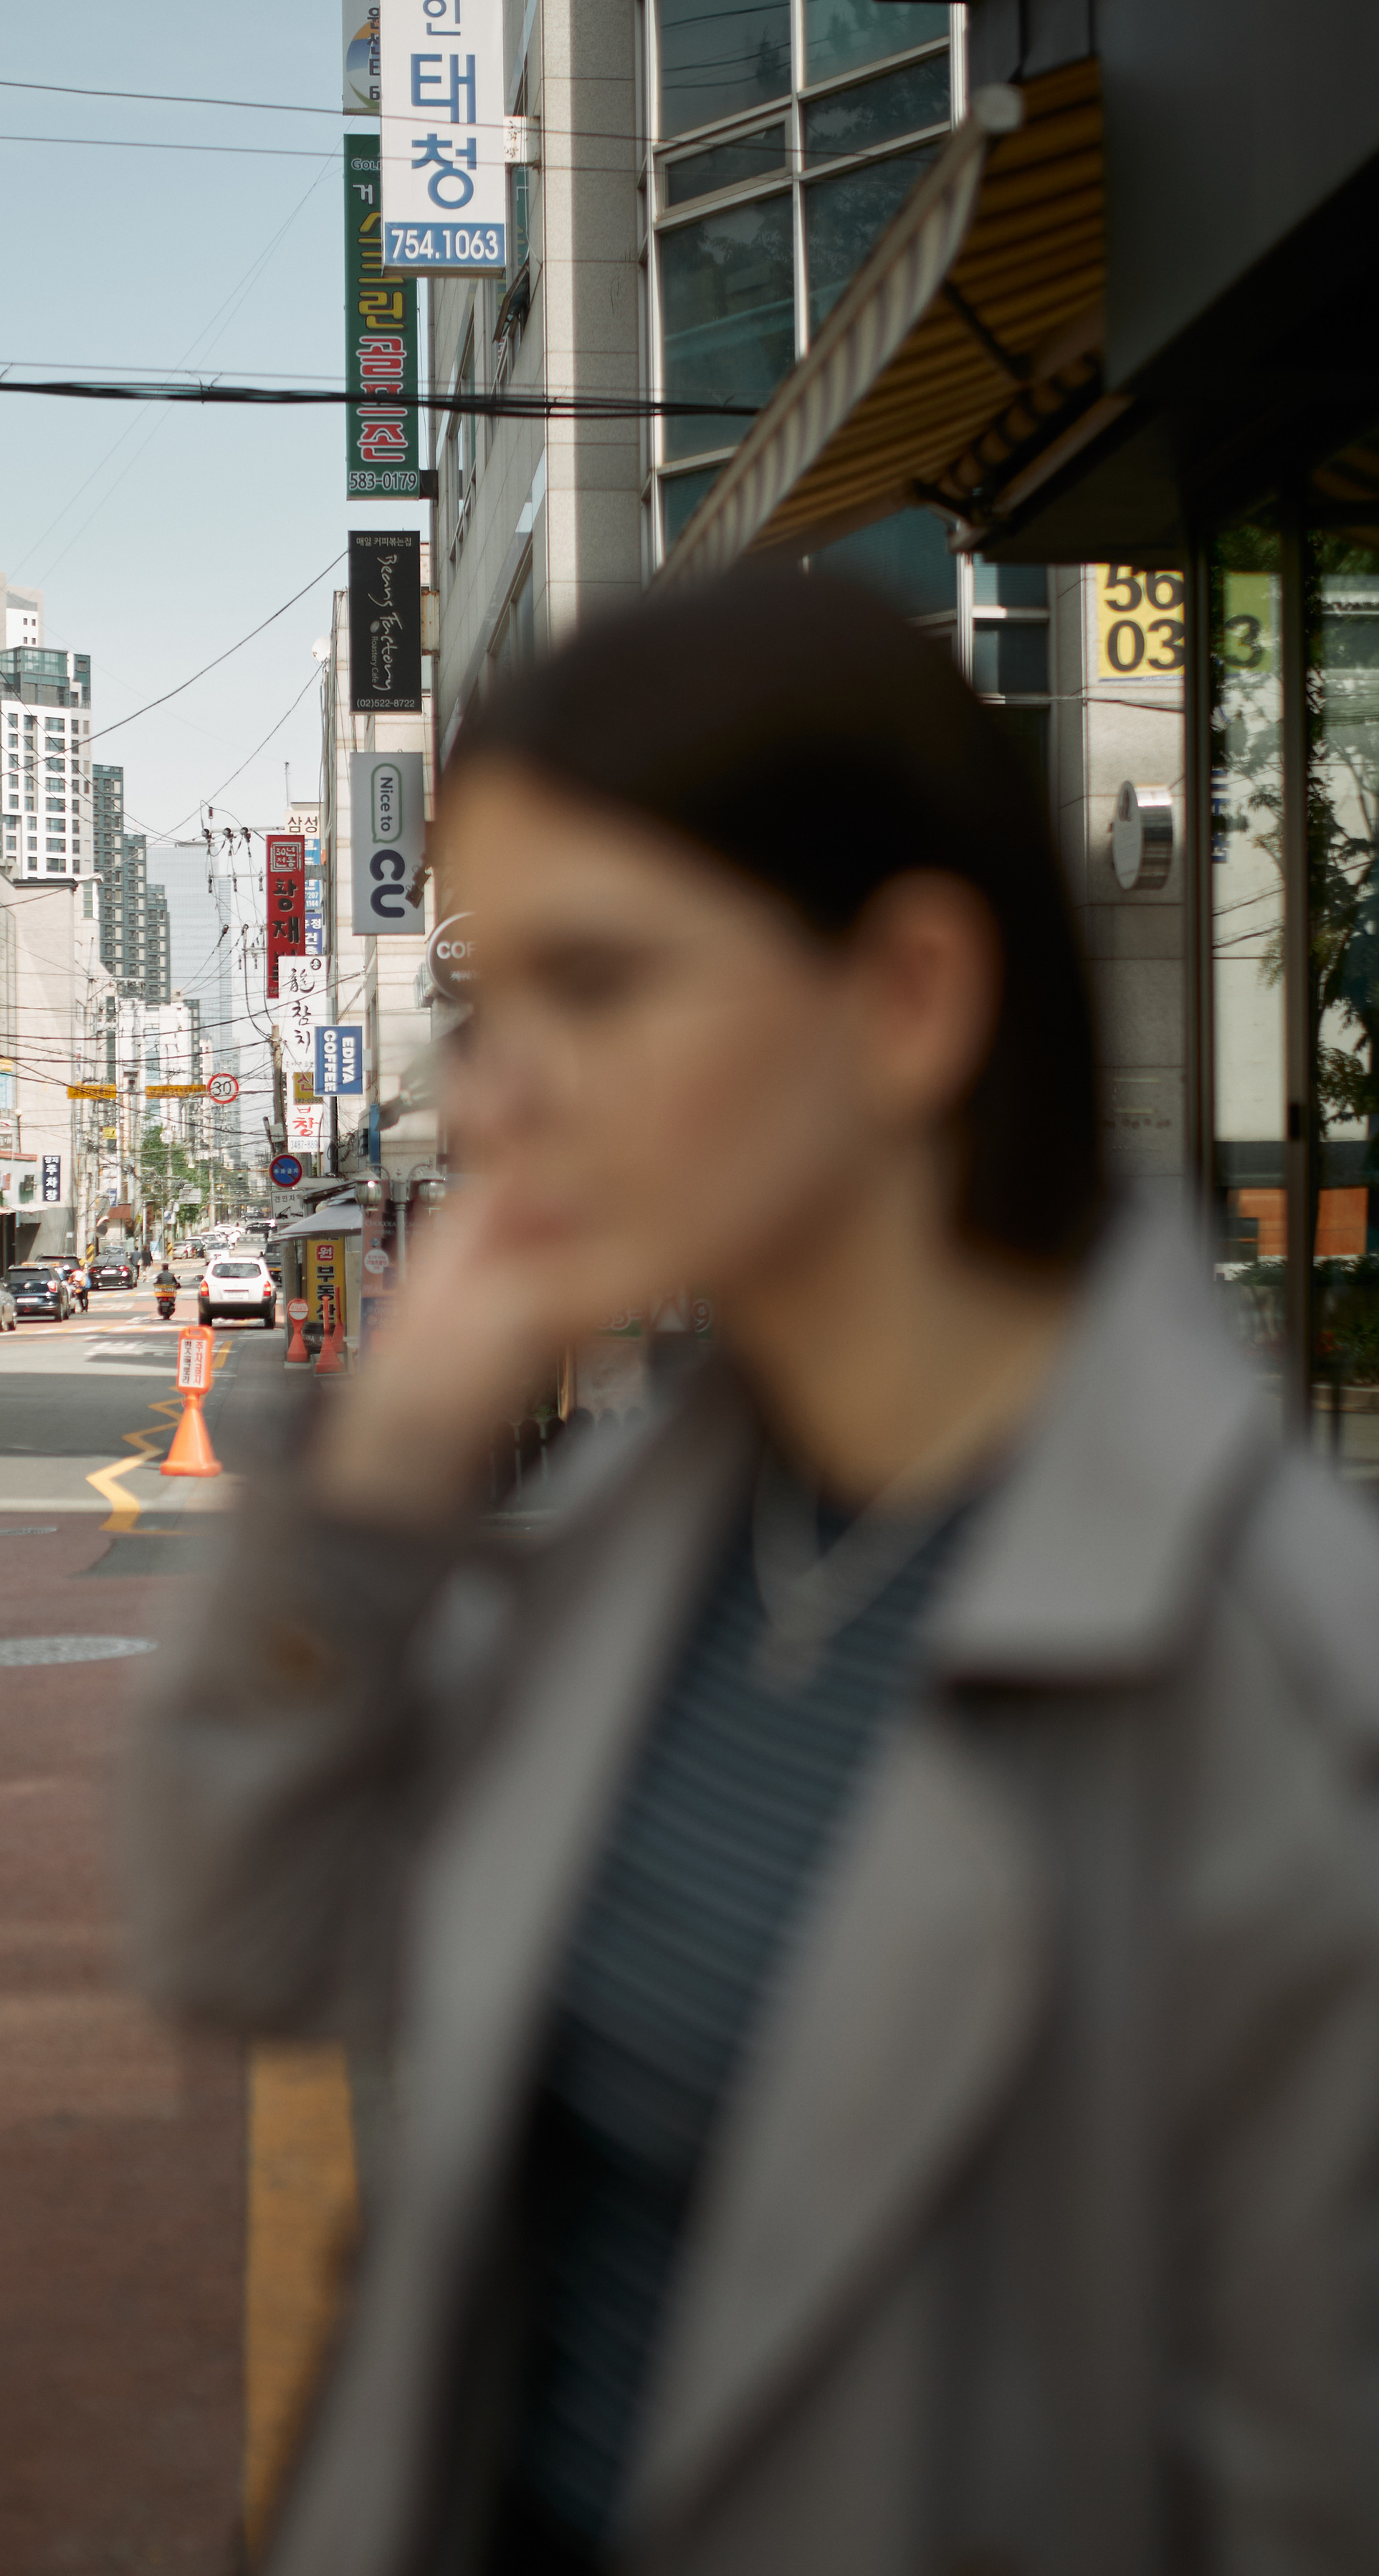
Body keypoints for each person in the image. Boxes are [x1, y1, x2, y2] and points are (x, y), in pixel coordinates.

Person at [125, 564, 1379, 2576]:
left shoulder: (1287, 1692)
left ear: (907, 999)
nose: (487, 1099)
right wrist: (369, 1496)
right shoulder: (665, 1527)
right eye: (486, 1002)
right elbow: (238, 1940)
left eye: (597, 987)